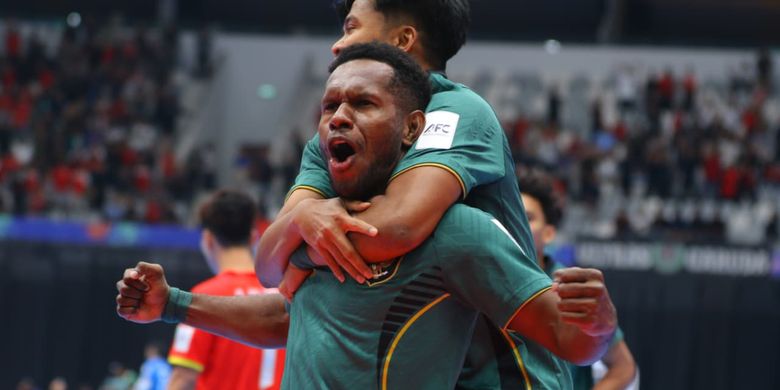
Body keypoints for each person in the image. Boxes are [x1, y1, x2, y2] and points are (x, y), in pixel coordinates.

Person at [117, 43, 618, 389]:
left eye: (362, 103)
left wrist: (598, 322)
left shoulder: (457, 232)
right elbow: (290, 316)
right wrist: (173, 304)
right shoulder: (319, 229)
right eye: (330, 104)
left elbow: (571, 341)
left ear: (411, 128)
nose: (338, 116)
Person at [255, 1, 554, 386]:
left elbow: (396, 227)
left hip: (504, 379)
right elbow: (267, 265)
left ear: (403, 40)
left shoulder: (453, 110)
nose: (336, 44)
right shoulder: (332, 133)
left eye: (350, 27)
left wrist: (301, 252)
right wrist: (299, 220)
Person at [518, 169, 639, 390]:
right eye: (511, 215)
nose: (517, 224)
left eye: (527, 217)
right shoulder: (485, 279)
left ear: (549, 233)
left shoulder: (573, 288)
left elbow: (624, 367)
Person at [166, 190, 285, 390]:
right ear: (254, 237)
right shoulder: (283, 294)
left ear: (207, 240)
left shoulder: (203, 297)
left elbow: (183, 379)